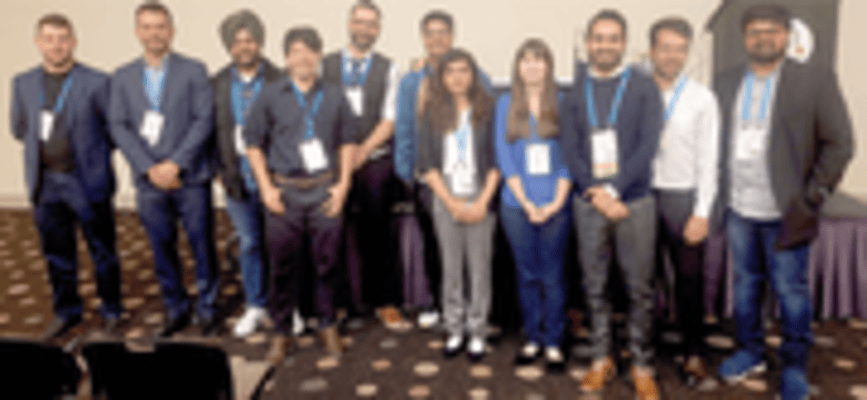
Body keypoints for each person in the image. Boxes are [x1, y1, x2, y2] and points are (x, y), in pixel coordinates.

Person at [713, 5, 853, 399]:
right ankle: (750, 351)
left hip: (788, 211)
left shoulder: (815, 80)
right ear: (745, 38)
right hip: (739, 208)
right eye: (755, 31)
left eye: (772, 30)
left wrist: (813, 195)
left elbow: (840, 143)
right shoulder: (725, 82)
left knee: (791, 291)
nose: (763, 37)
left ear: (787, 36)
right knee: (744, 287)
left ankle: (794, 366)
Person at [560, 9, 662, 399]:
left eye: (613, 38)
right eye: (598, 38)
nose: (605, 45)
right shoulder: (574, 92)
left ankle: (641, 362)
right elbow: (570, 149)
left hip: (634, 202)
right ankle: (602, 357)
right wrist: (595, 192)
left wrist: (615, 191)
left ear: (624, 44)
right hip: (589, 202)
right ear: (588, 44)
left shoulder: (643, 87)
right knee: (595, 285)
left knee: (638, 288)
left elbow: (647, 146)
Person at [243, 26, 357, 364]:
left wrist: (343, 186)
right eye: (295, 51)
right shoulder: (269, 94)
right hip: (284, 193)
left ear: (319, 55)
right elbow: (253, 144)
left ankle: (326, 323)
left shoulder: (335, 95)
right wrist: (265, 187)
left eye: (310, 50)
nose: (303, 57)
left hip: (325, 190)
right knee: (281, 267)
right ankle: (281, 332)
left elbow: (347, 142)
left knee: (328, 264)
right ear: (287, 57)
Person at [109, 0, 219, 338]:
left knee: (202, 244)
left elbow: (204, 120)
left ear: (171, 31)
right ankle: (176, 307)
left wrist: (176, 163)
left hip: (190, 176)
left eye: (161, 26)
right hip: (148, 182)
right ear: (137, 32)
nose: (154, 33)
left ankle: (208, 307)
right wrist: (149, 167)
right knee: (162, 246)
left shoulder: (194, 69)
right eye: (147, 26)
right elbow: (119, 125)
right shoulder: (122, 76)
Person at [10, 13, 123, 340]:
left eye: (63, 38)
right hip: (46, 184)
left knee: (102, 251)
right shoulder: (23, 82)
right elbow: (20, 128)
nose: (56, 45)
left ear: (73, 42)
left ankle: (112, 309)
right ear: (38, 42)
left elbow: (113, 131)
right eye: (49, 38)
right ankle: (67, 312)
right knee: (57, 253)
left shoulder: (98, 81)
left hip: (85, 181)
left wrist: (94, 159)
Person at [393, 10, 492, 329]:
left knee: (476, 253)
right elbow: (406, 129)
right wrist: (407, 174)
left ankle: (477, 314)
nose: (436, 39)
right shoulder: (411, 82)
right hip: (428, 177)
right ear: (423, 39)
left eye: (443, 32)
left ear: (452, 36)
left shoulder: (480, 78)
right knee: (438, 246)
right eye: (430, 33)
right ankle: (441, 307)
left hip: (472, 179)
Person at [321, 0, 406, 329]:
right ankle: (340, 303)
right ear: (349, 23)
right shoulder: (326, 65)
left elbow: (389, 118)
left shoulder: (389, 67)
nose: (365, 29)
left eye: (372, 24)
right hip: (331, 163)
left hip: (372, 161)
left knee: (378, 234)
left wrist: (362, 150)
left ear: (378, 29)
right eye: (360, 22)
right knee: (333, 233)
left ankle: (384, 301)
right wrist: (343, 155)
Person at [647, 17, 720, 385]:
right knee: (642, 278)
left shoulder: (701, 98)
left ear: (687, 52)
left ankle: (693, 353)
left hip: (683, 197)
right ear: (651, 51)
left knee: (688, 282)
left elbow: (710, 160)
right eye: (665, 47)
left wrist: (702, 212)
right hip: (643, 194)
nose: (672, 55)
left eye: (680, 48)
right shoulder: (638, 93)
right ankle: (644, 351)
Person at [416, 48, 499, 362]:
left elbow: (495, 162)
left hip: (480, 193)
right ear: (442, 77)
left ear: (473, 74)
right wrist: (450, 202)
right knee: (451, 268)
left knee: (479, 269)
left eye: (464, 70)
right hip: (445, 195)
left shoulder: (488, 109)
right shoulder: (433, 111)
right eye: (450, 71)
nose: (457, 77)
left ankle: (477, 331)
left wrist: (482, 202)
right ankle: (455, 329)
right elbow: (427, 164)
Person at [494, 39, 571, 373]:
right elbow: (505, 157)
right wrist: (526, 202)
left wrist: (555, 203)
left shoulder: (564, 103)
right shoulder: (505, 104)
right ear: (518, 66)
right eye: (525, 60)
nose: (532, 66)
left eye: (539, 60)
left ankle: (553, 341)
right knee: (526, 275)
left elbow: (571, 157)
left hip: (557, 202)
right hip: (516, 204)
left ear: (548, 66)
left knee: (553, 275)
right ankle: (532, 338)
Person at [211, 9, 283, 338]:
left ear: (260, 42)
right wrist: (217, 170)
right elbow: (208, 132)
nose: (244, 47)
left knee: (280, 244)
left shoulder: (280, 80)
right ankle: (255, 304)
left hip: (276, 179)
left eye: (250, 40)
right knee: (250, 242)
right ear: (228, 45)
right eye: (237, 41)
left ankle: (285, 304)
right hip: (236, 178)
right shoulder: (216, 84)